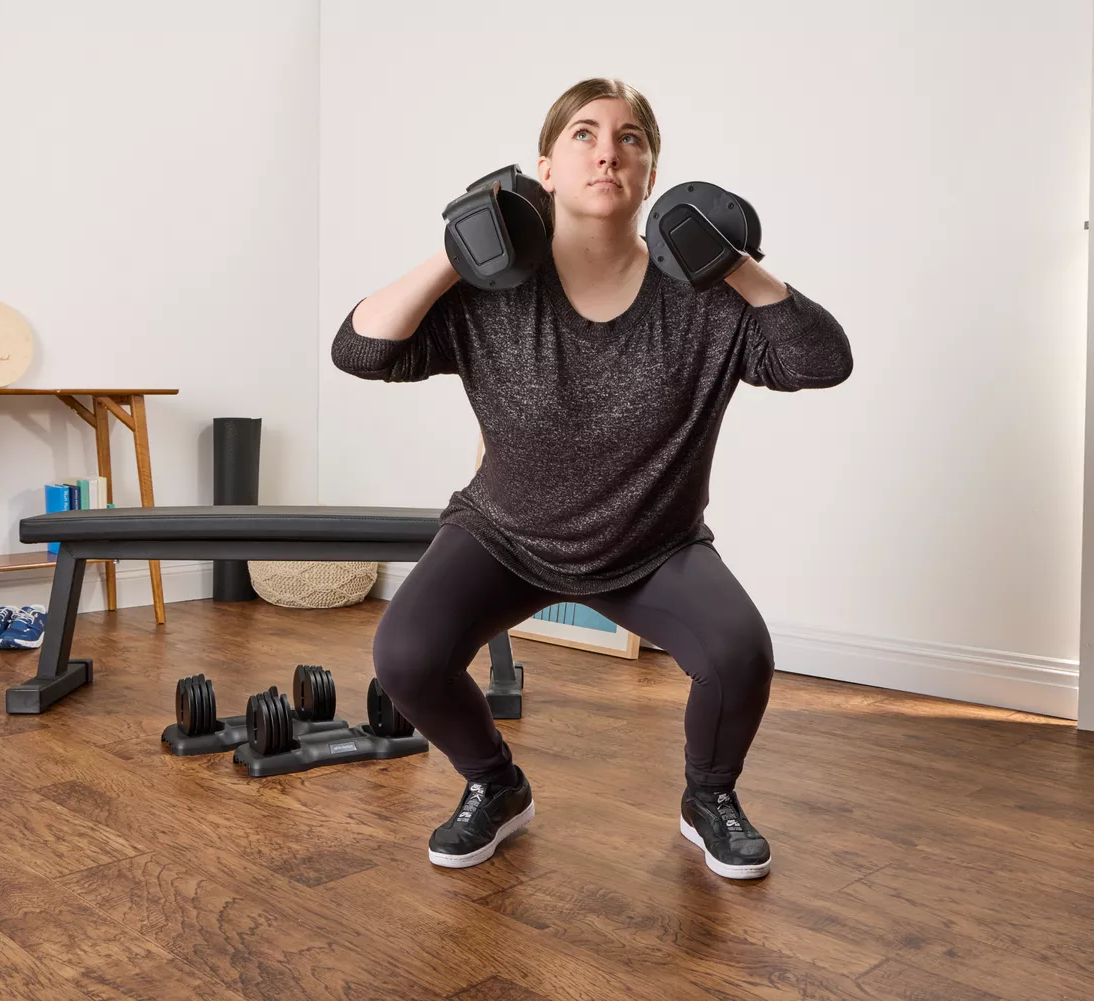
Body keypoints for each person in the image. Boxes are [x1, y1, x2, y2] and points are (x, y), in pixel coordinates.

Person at [330, 77, 852, 880]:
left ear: (651, 176)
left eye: (631, 138)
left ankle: (708, 799)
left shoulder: (703, 301)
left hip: (651, 545)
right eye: (584, 133)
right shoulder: (490, 298)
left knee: (739, 651)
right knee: (405, 653)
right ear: (544, 170)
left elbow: (822, 361)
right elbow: (360, 349)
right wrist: (460, 244)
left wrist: (732, 262)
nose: (609, 149)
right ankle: (496, 785)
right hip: (503, 536)